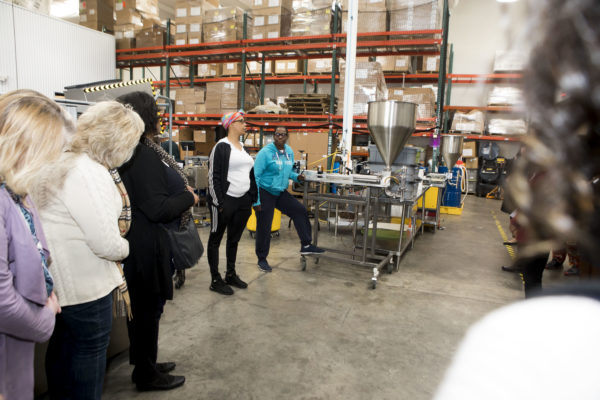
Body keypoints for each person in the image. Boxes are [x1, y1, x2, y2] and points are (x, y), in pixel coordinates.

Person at [31, 101, 144, 399]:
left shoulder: (56, 161)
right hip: (87, 290)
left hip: (58, 287)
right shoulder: (90, 172)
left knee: (60, 355)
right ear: (120, 142)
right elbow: (105, 243)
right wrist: (128, 247)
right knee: (86, 365)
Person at [117, 91, 198, 391]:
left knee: (145, 309)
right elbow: (157, 208)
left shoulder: (137, 150)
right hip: (145, 244)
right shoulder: (141, 155)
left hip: (141, 241)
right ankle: (146, 374)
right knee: (148, 309)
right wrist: (187, 198)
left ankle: (145, 363)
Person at [0, 90, 70, 400]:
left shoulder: (17, 193)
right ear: (19, 146)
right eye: (49, 151)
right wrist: (45, 319)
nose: (52, 163)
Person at [253, 126, 324, 272]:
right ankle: (262, 259)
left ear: (286, 137)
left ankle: (306, 245)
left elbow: (289, 171)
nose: (280, 137)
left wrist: (296, 176)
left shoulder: (289, 152)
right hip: (265, 191)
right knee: (264, 226)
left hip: (280, 192)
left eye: (283, 134)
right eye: (278, 134)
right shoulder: (265, 153)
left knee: (299, 210)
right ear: (274, 136)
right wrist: (256, 200)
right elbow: (255, 177)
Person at [207, 111, 257, 295]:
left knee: (234, 239)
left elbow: (250, 174)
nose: (245, 124)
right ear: (231, 124)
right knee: (215, 240)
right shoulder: (221, 147)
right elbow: (213, 177)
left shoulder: (243, 148)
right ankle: (215, 279)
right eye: (242, 121)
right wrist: (219, 203)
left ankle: (230, 274)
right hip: (225, 201)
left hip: (242, 201)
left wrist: (252, 197)